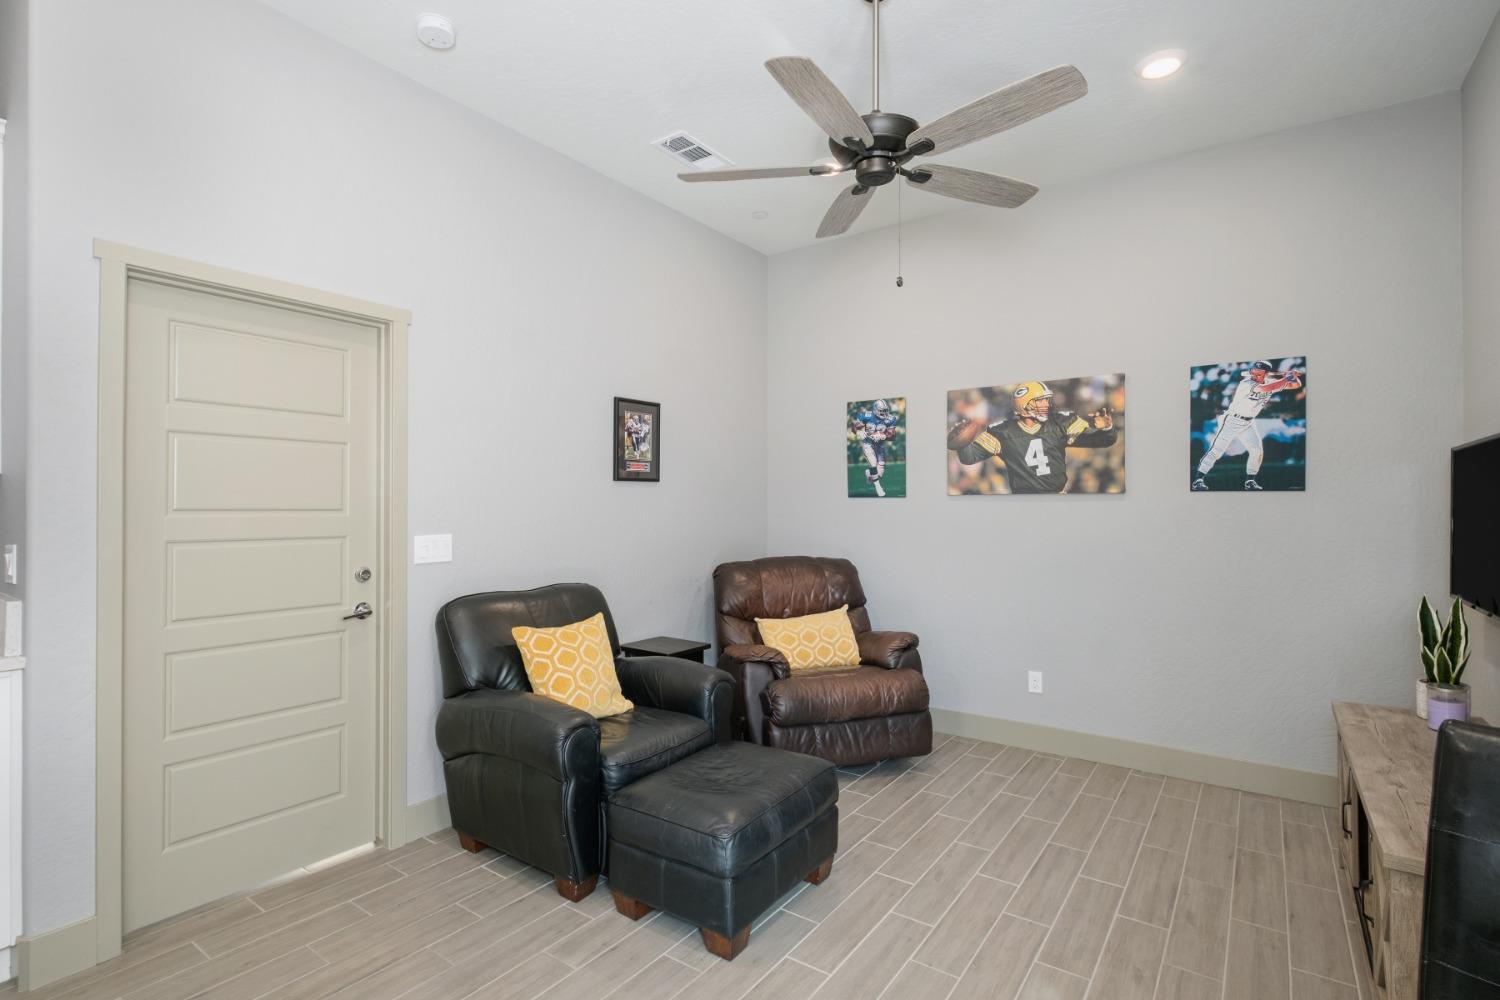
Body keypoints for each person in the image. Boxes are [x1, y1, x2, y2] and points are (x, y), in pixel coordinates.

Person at [947, 381, 1116, 494]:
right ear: (1024, 405)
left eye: (1046, 400)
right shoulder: (1002, 431)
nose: (1046, 405)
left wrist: (1106, 429)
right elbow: (969, 457)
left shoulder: (1060, 423)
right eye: (1040, 401)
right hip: (1023, 501)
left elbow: (1103, 441)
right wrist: (961, 443)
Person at [1192, 361, 1303, 491]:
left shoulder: (1270, 382)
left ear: (1266, 374)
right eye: (1253, 371)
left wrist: (1293, 376)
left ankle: (1250, 482)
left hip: (1248, 422)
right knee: (1217, 450)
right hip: (1232, 420)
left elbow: (1296, 385)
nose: (1254, 374)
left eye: (1258, 372)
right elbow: (1265, 389)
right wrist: (1286, 377)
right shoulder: (1246, 383)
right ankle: (1198, 480)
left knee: (1257, 450)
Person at [852, 399, 898, 497]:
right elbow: (854, 427)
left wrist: (884, 436)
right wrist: (859, 432)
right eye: (881, 410)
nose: (884, 412)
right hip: (867, 443)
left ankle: (869, 474)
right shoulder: (866, 416)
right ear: (875, 409)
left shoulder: (891, 419)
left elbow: (893, 435)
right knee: (873, 463)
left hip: (879, 445)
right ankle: (878, 487)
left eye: (885, 410)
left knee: (879, 472)